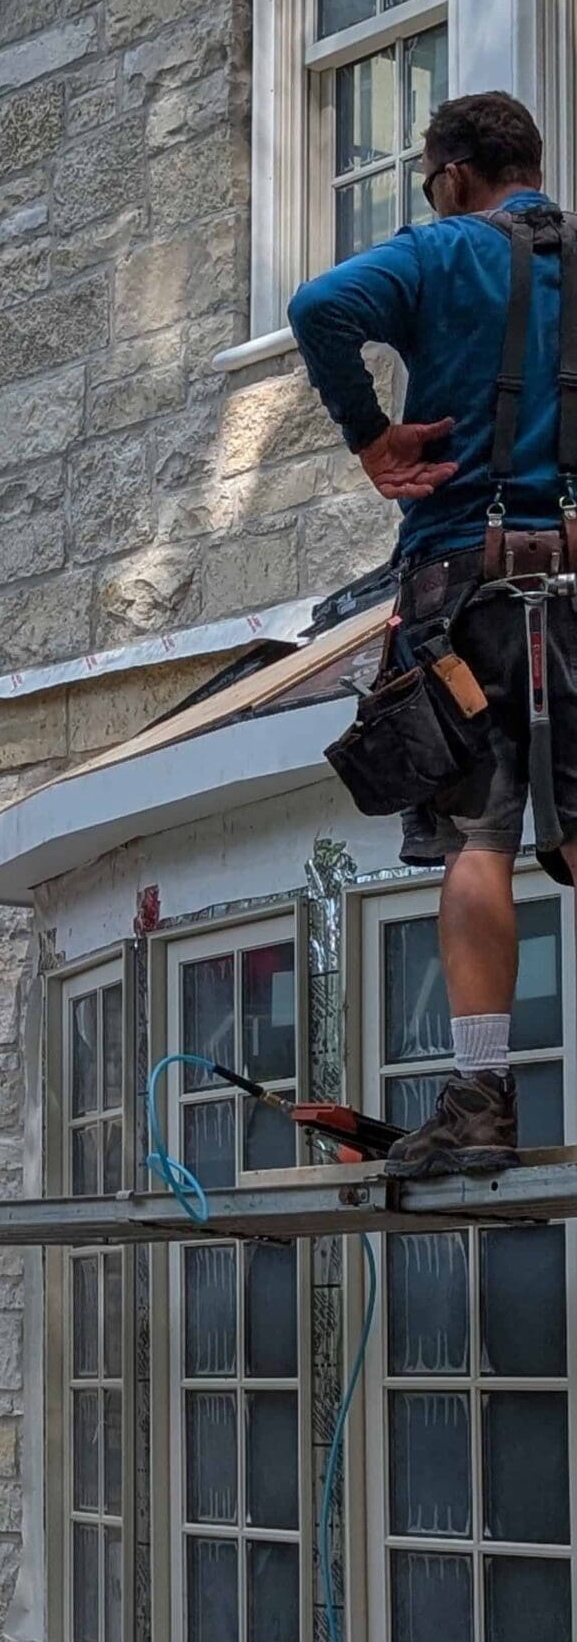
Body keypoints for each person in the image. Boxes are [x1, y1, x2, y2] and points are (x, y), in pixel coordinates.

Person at [289, 89, 576, 1178]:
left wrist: (371, 437)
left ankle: (480, 1097)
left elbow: (320, 306)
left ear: (453, 173)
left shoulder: (445, 251)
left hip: (470, 586)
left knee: (480, 840)